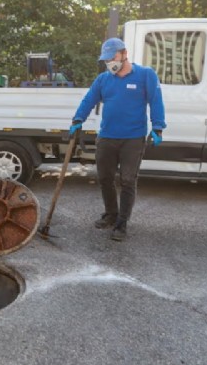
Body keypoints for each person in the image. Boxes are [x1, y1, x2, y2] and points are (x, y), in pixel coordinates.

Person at [69, 37, 166, 241]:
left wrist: (158, 127)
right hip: (107, 137)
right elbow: (89, 99)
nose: (109, 63)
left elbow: (156, 101)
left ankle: (122, 223)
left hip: (133, 138)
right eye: (106, 60)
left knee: (128, 180)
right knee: (105, 177)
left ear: (124, 54)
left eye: (112, 58)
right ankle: (111, 214)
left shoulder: (145, 75)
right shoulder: (104, 79)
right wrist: (78, 118)